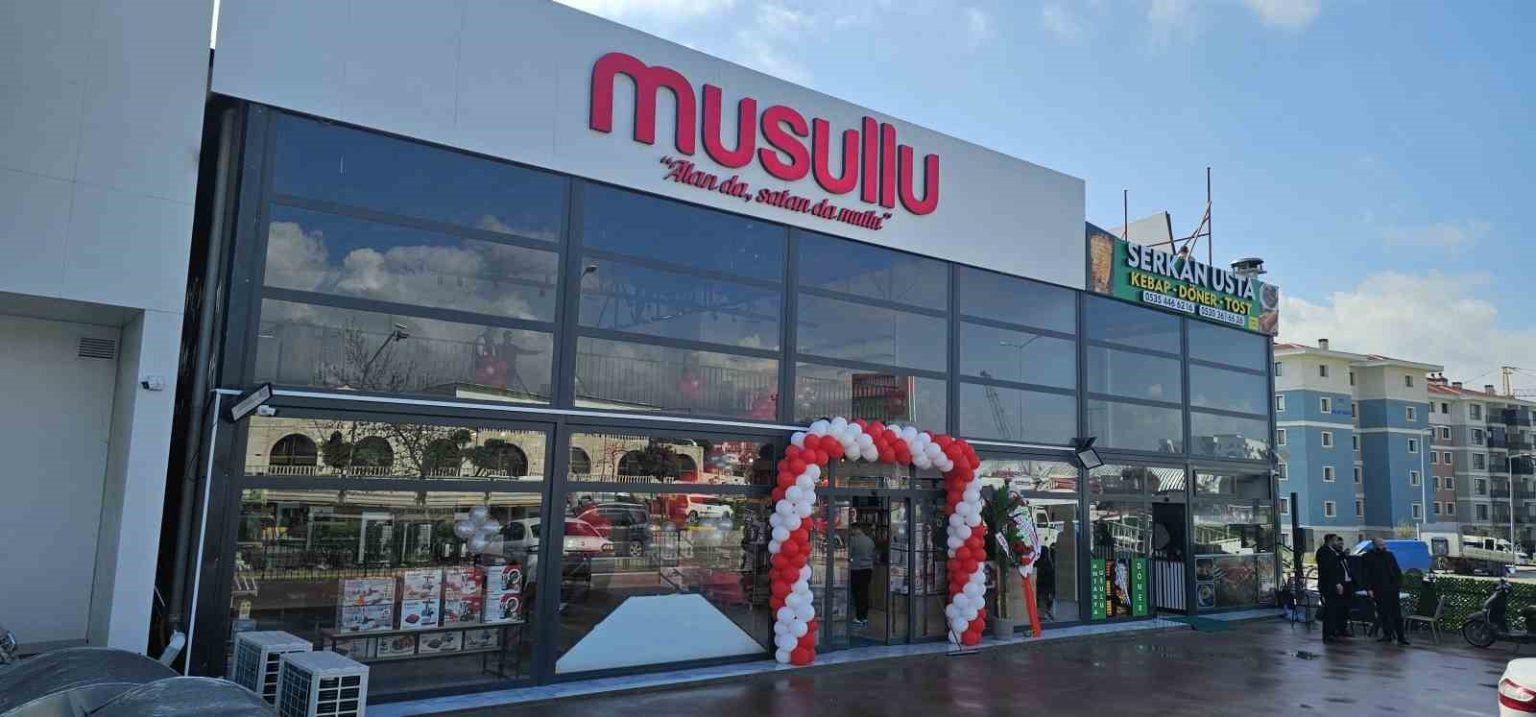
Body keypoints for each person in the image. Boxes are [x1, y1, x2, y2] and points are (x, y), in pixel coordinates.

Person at [1361, 538, 1409, 645]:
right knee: (1383, 613)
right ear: (1374, 545)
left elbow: (1396, 570)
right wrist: (1368, 588)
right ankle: (1387, 634)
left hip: (1392, 588)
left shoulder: (1389, 555)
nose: (1383, 547)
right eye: (1381, 545)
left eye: (1384, 544)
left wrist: (1398, 584)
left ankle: (1401, 636)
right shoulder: (1367, 557)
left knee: (1397, 614)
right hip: (1378, 589)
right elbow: (1365, 574)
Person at [1316, 533, 1351, 643]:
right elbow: (1329, 568)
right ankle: (1328, 634)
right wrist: (1337, 583)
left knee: (1339, 609)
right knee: (1330, 610)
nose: (1338, 543)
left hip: (1339, 584)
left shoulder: (1334, 552)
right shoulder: (1324, 551)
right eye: (1336, 540)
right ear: (1330, 541)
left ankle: (1337, 630)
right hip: (1329, 586)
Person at [848, 523, 876, 627]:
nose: (851, 532)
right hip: (868, 569)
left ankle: (858, 617)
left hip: (856, 569)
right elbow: (873, 554)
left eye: (851, 530)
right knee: (864, 593)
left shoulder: (853, 540)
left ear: (855, 529)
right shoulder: (870, 541)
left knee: (857, 594)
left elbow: (849, 554)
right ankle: (864, 616)